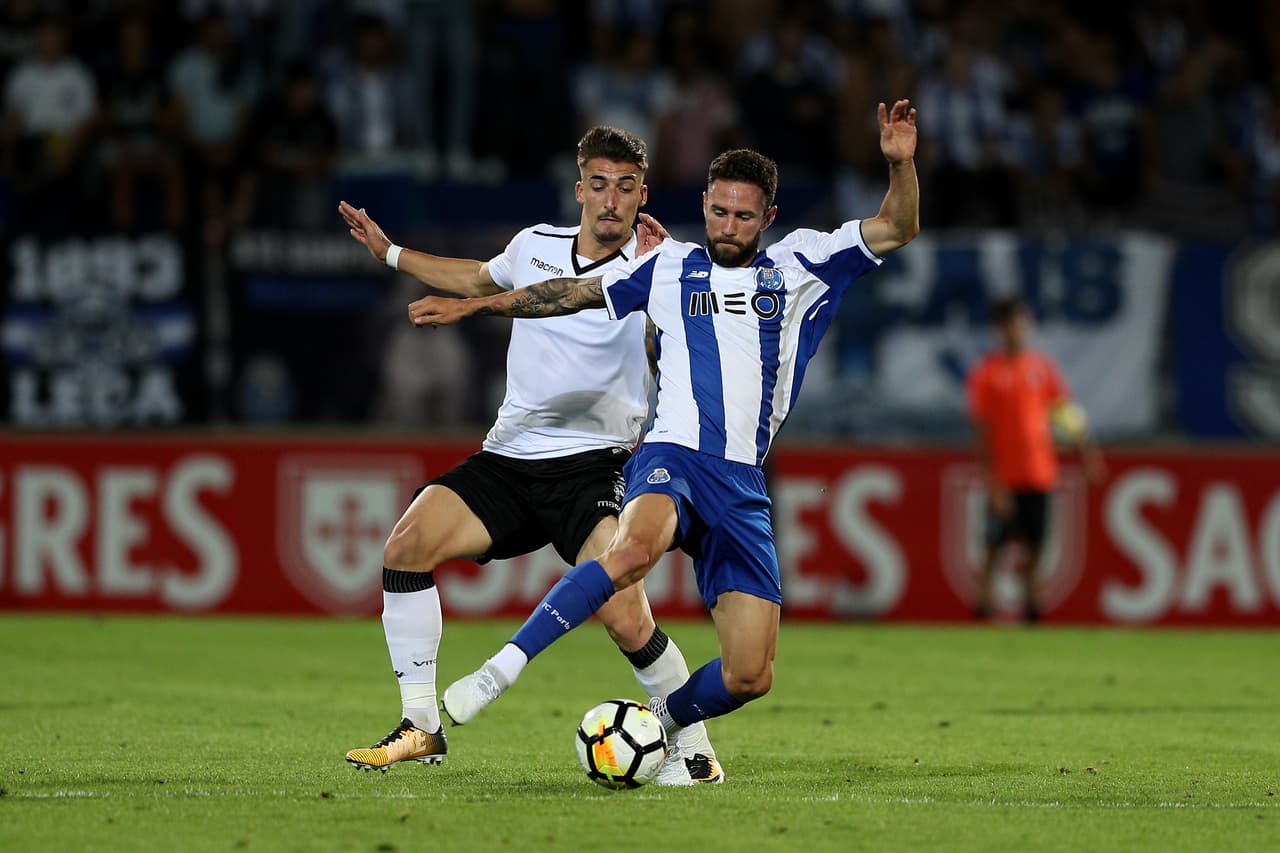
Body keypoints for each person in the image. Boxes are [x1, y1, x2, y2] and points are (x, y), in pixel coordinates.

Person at [410, 100, 920, 757]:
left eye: (743, 215)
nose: (729, 225)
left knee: (749, 673)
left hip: (739, 482)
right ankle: (500, 668)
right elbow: (571, 291)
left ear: (767, 216)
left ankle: (656, 729)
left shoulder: (805, 263)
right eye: (718, 210)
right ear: (704, 202)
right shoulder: (667, 265)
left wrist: (900, 164)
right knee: (627, 555)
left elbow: (898, 225)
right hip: (670, 455)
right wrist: (478, 305)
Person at [337, 126, 720, 786]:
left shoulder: (665, 263)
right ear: (580, 189)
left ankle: (696, 746)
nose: (610, 199)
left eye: (626, 187)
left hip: (592, 465)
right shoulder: (535, 244)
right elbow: (479, 275)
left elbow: (686, 345)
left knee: (626, 614)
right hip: (509, 457)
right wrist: (391, 252)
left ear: (642, 196)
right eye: (599, 184)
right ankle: (421, 725)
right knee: (406, 544)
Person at [966, 296, 1105, 622]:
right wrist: (992, 482)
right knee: (995, 545)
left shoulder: (1042, 369)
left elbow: (1067, 416)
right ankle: (983, 607)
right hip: (1006, 477)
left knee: (1036, 544)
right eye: (1011, 323)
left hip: (1040, 474)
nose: (1018, 330)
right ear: (999, 329)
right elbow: (982, 435)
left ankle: (1031, 606)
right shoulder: (987, 374)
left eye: (1022, 322)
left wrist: (1088, 455)